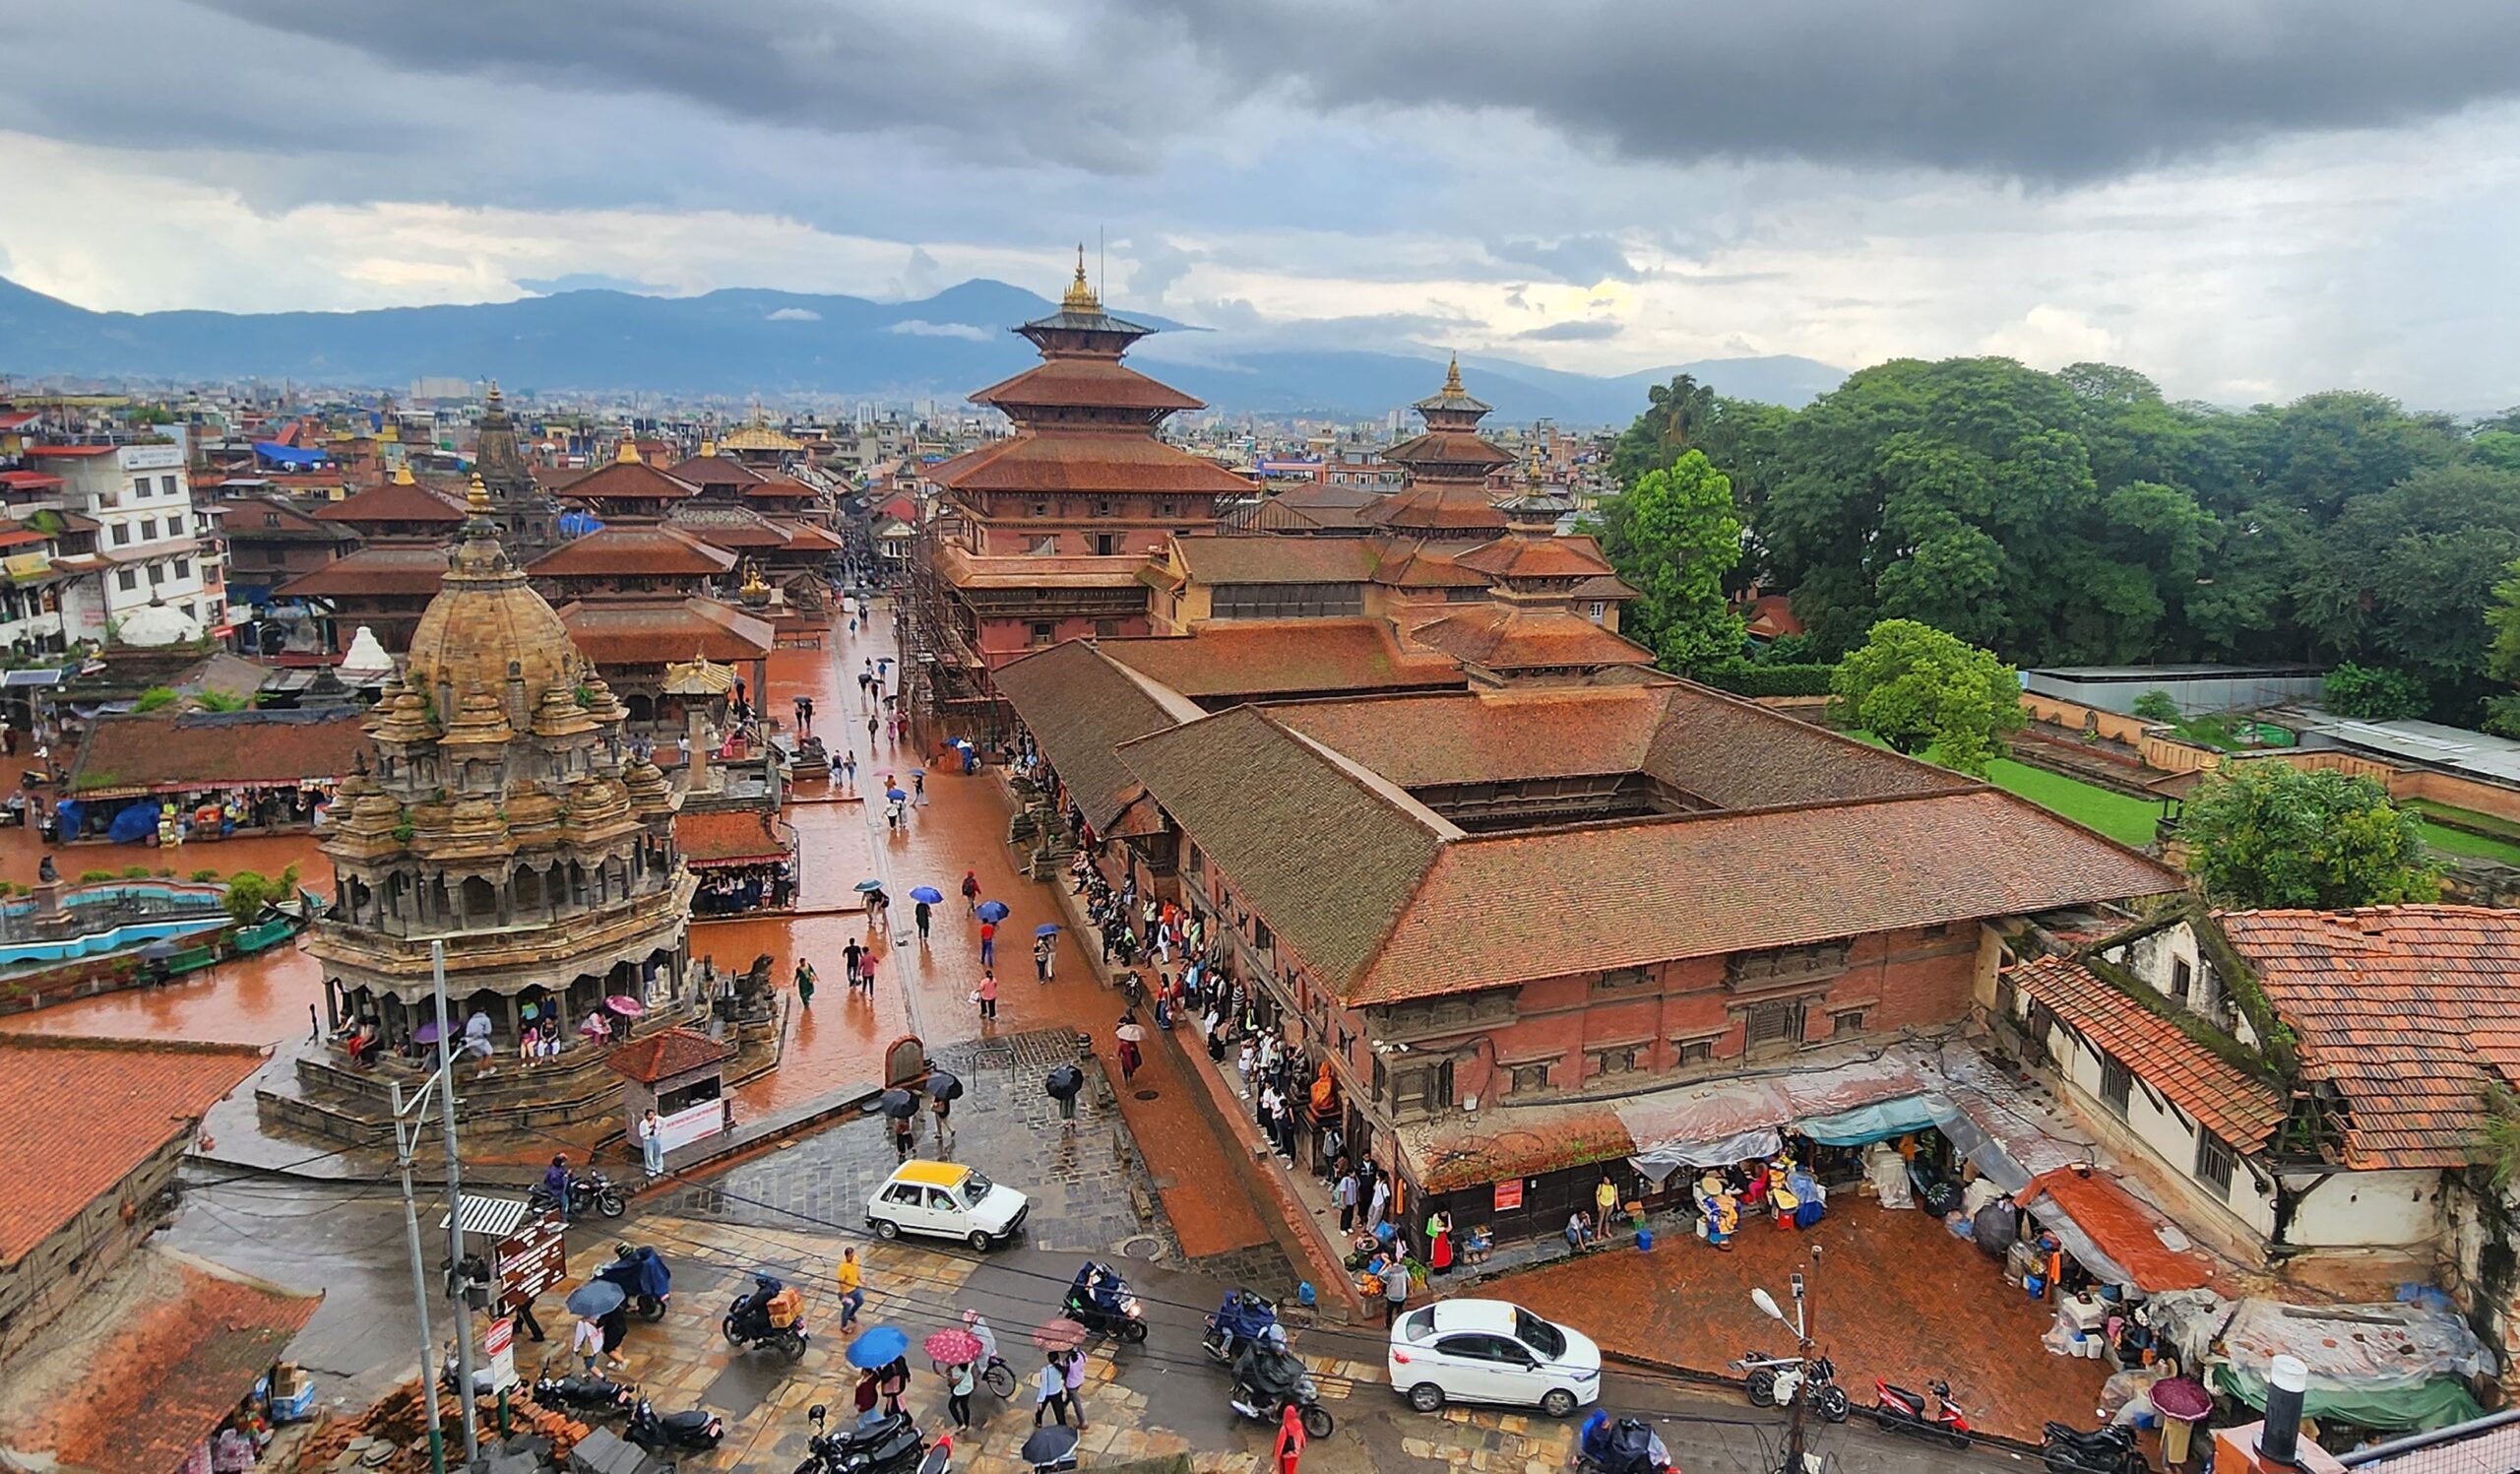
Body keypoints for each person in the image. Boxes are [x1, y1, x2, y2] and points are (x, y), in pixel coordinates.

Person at [1034, 1355, 1070, 1428]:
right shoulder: (1061, 1368)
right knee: (1059, 1413)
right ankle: (1062, 1427)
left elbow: (1044, 1386)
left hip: (1047, 1394)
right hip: (1057, 1392)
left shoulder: (1045, 1370)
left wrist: (1040, 1400)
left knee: (1040, 1410)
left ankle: (1038, 1422)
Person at [836, 1248, 865, 1328]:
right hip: (846, 1292)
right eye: (851, 1256)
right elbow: (841, 1282)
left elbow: (857, 1270)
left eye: (853, 1255)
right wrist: (844, 1295)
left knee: (860, 1301)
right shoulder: (843, 1267)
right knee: (846, 1308)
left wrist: (861, 1279)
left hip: (855, 1288)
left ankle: (851, 1315)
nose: (852, 1257)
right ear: (847, 1256)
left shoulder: (855, 1259)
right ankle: (843, 1326)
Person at [1275, 1400, 1307, 1474]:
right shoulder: (1298, 1423)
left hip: (1287, 1455)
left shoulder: (1284, 1428)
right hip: (1296, 1453)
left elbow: (1280, 1445)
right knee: (1292, 1470)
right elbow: (1302, 1435)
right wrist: (1303, 1445)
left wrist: (1276, 1458)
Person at [1062, 1345, 1089, 1429]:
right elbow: (1085, 1362)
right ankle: (1064, 1405)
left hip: (1071, 1383)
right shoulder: (1082, 1354)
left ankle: (1083, 1421)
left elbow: (1065, 1373)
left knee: (1076, 1403)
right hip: (1080, 1379)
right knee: (1071, 1395)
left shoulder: (1068, 1361)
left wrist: (1064, 1380)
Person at [946, 1358, 976, 1430]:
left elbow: (953, 1382)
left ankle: (960, 1423)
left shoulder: (956, 1370)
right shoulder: (968, 1363)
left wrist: (949, 1375)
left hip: (960, 1390)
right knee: (964, 1405)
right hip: (968, 1387)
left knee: (951, 1405)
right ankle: (966, 1423)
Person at [1382, 1255, 1411, 1327]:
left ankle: (1388, 1325)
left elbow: (1380, 1275)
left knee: (1389, 1312)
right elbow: (1409, 1279)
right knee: (1400, 1309)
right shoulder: (1404, 1268)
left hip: (1392, 1296)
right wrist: (1411, 1290)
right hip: (1402, 1295)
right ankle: (1400, 1323)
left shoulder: (1389, 1271)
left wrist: (1385, 1265)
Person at [638, 1108, 665, 1178]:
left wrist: (660, 1131)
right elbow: (641, 1134)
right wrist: (648, 1131)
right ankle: (651, 1169)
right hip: (648, 1139)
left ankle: (659, 1166)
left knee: (657, 1152)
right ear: (646, 1116)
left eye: (652, 1114)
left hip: (656, 1137)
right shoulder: (643, 1123)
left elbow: (664, 1123)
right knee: (649, 1154)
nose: (651, 1116)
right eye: (650, 1115)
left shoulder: (658, 1119)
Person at [1426, 1210, 1454, 1275]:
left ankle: (1447, 1268)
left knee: (1446, 1254)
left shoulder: (1448, 1215)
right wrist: (1443, 1229)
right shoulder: (1436, 1216)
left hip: (1445, 1237)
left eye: (1445, 1212)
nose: (1444, 1214)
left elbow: (1450, 1226)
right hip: (1438, 1237)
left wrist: (1448, 1229)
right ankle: (1438, 1269)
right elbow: (1434, 1227)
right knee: (1438, 1253)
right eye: (1443, 1212)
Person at [1336, 1167, 1358, 1233]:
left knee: (1350, 1214)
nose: (1354, 1174)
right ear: (1349, 1173)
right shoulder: (1345, 1180)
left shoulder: (1354, 1180)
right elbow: (1343, 1192)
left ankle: (1348, 1226)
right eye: (1353, 1172)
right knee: (1345, 1215)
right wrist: (1343, 1202)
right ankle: (1342, 1228)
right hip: (1346, 1201)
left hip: (1352, 1201)